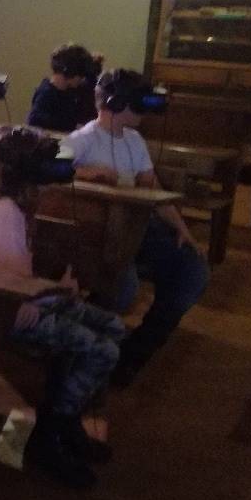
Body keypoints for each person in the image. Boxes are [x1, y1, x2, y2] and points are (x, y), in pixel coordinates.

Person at [0, 126, 124, 488]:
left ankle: (66, 422)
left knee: (112, 326)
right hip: (6, 313)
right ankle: (50, 432)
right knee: (103, 350)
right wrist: (63, 290)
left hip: (12, 302)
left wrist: (58, 292)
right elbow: (18, 286)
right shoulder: (6, 211)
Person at [63, 69, 209, 386]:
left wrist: (181, 227)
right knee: (122, 288)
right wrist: (84, 174)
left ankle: (132, 355)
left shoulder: (134, 140)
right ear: (116, 102)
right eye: (139, 102)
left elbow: (152, 188)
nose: (145, 110)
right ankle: (83, 353)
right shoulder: (81, 140)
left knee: (192, 270)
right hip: (101, 237)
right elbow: (53, 173)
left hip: (141, 231)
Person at [27, 44, 101, 133]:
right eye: (81, 76)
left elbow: (91, 85)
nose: (82, 79)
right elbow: (34, 120)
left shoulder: (76, 89)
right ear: (70, 72)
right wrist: (74, 125)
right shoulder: (46, 94)